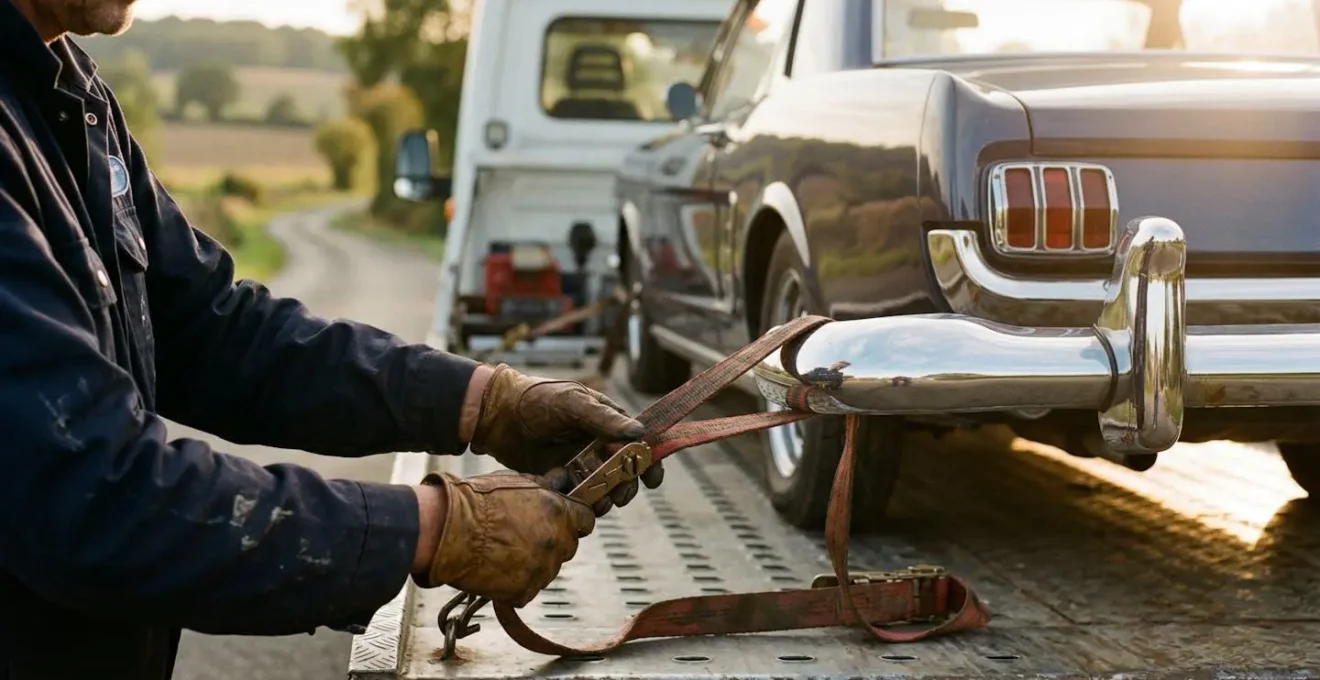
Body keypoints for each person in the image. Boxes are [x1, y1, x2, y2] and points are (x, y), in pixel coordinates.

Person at [0, 0, 664, 677]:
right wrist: (432, 529)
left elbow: (212, 328)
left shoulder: (69, 97)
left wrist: (482, 401)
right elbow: (90, 495)